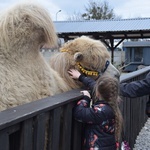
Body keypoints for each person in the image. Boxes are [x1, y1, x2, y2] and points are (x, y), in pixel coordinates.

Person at [68, 69, 123, 150]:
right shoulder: (112, 104)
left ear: (97, 93)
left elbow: (78, 113)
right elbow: (94, 85)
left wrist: (86, 98)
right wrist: (81, 77)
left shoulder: (100, 112)